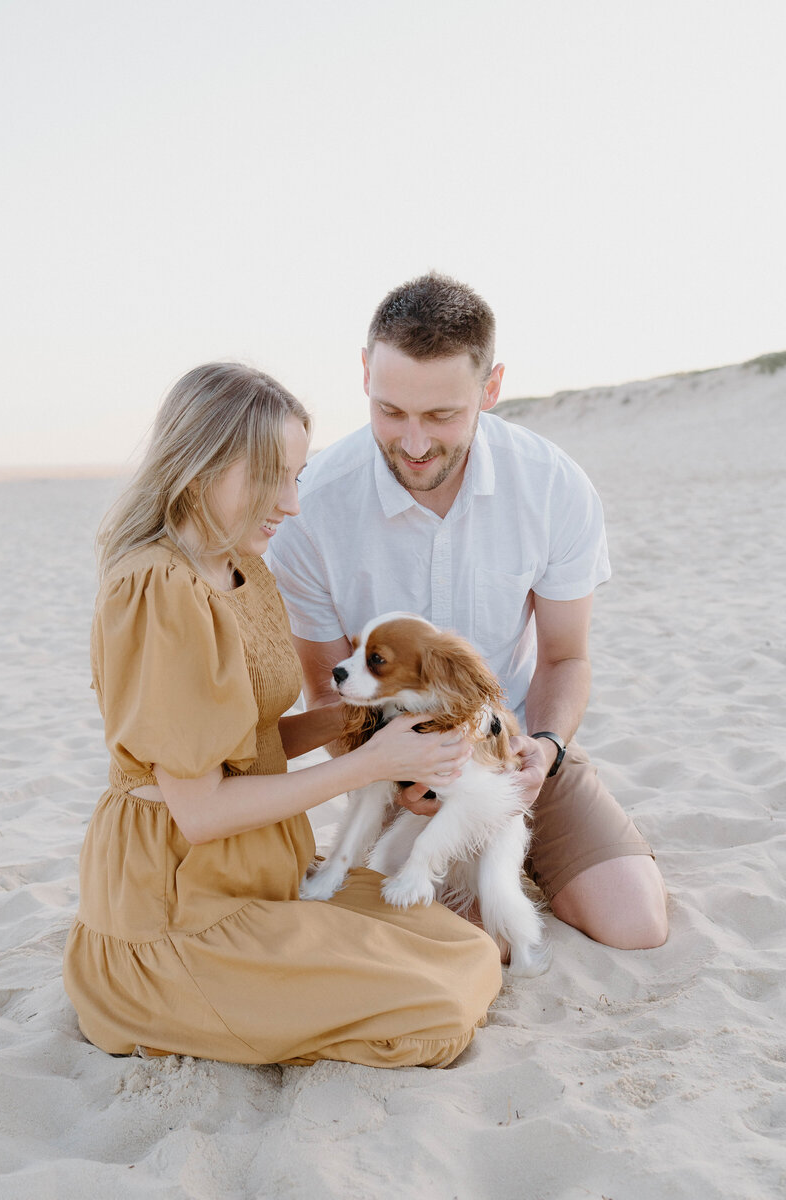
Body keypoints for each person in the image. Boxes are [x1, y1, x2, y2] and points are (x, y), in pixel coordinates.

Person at [63, 361, 502, 1068]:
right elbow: (200, 810)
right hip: (182, 903)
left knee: (466, 949)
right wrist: (373, 764)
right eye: (272, 476)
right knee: (436, 1012)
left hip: (264, 873)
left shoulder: (243, 566)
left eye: (297, 477)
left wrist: (357, 722)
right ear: (201, 467)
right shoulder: (158, 588)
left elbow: (248, 744)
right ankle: (168, 1003)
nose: (291, 504)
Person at [269, 273, 668, 951]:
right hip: (388, 760)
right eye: (391, 410)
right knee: (486, 945)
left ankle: (532, 856)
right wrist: (400, 781)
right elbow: (324, 688)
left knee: (636, 926)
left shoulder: (551, 486)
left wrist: (541, 752)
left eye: (442, 416)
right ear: (365, 374)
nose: (415, 442)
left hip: (518, 744)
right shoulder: (311, 508)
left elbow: (565, 658)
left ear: (491, 388)